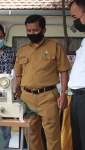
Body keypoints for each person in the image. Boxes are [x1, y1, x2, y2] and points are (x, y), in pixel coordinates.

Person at [14, 14, 71, 150]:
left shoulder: (55, 46)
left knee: (52, 136)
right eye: (29, 31)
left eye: (35, 30)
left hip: (48, 97)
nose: (31, 33)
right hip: (27, 98)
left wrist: (63, 93)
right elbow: (18, 74)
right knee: (31, 135)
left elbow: (64, 71)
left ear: (43, 30)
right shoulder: (22, 50)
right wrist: (16, 91)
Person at [68, 1, 85, 150]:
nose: (74, 21)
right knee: (78, 141)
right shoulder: (84, 40)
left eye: (75, 16)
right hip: (77, 97)